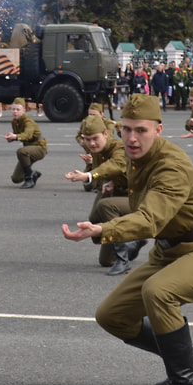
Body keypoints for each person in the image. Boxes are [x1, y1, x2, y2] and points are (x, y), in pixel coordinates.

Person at [62, 94, 193, 385]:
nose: (132, 138)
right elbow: (121, 170)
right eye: (126, 130)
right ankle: (186, 354)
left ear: (158, 130)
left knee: (159, 292)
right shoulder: (135, 153)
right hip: (169, 250)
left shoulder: (170, 165)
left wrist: (103, 228)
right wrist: (93, 175)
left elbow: (149, 220)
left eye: (141, 130)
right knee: (111, 315)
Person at [65, 115, 146, 275]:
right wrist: (107, 180)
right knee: (103, 255)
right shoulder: (96, 151)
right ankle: (134, 241)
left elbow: (114, 165)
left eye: (95, 138)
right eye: (87, 139)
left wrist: (88, 176)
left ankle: (123, 261)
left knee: (106, 206)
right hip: (121, 192)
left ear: (106, 134)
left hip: (142, 195)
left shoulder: (119, 148)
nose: (92, 143)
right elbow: (101, 175)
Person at [4, 97, 47, 189]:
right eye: (13, 109)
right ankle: (33, 174)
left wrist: (15, 136)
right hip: (28, 150)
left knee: (21, 151)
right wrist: (12, 138)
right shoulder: (14, 121)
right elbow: (19, 135)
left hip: (39, 148)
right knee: (16, 178)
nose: (15, 111)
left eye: (18, 109)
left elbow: (27, 135)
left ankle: (29, 179)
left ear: (24, 110)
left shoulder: (28, 121)